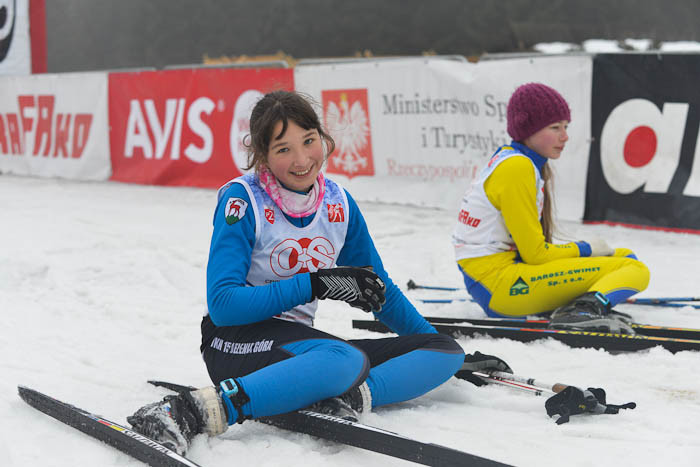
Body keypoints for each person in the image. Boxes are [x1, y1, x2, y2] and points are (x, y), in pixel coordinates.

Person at [127, 90, 511, 455]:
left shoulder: (338, 204)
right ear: (261, 155)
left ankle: (344, 396)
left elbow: (381, 292)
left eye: (309, 141)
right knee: (343, 359)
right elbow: (224, 305)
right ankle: (191, 410)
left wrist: (440, 356)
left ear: (323, 137)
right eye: (283, 149)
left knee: (443, 350)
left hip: (301, 346)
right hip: (234, 342)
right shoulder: (243, 201)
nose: (301, 160)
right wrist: (313, 284)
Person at [452, 82, 650, 333]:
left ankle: (585, 304)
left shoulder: (518, 161)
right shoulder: (517, 168)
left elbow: (531, 253)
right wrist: (586, 248)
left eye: (566, 127)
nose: (564, 136)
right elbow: (535, 254)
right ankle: (582, 311)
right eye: (555, 127)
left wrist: (587, 253)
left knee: (624, 256)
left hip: (498, 281)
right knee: (635, 270)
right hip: (499, 288)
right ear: (527, 130)